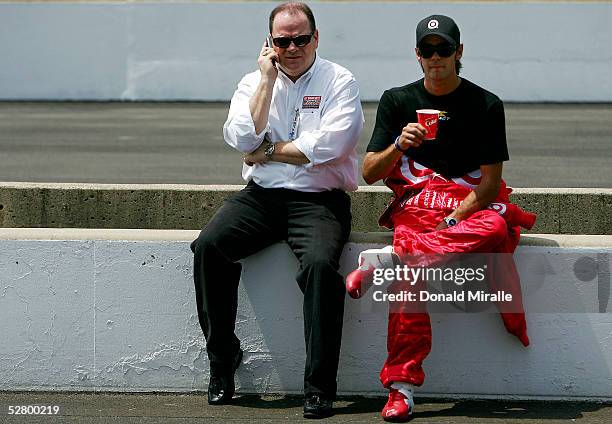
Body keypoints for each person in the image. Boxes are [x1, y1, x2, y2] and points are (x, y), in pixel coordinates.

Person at [345, 15, 534, 422]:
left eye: (443, 49)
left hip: (463, 209)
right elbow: (369, 172)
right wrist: (399, 144)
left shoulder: (485, 104)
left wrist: (451, 221)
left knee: (496, 224)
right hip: (416, 206)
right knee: (410, 279)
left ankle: (390, 258)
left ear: (458, 53)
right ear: (417, 55)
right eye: (427, 50)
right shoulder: (398, 100)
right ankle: (402, 389)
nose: (436, 57)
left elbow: (488, 186)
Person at [190, 2, 364, 419]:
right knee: (209, 247)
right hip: (262, 197)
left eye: (301, 39)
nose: (293, 47)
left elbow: (329, 146)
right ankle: (223, 359)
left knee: (321, 269)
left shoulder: (340, 81)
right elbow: (238, 137)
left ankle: (319, 387)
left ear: (315, 38)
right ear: (270, 43)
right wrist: (266, 82)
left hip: (319, 201)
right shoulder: (253, 81)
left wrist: (265, 151)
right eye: (283, 41)